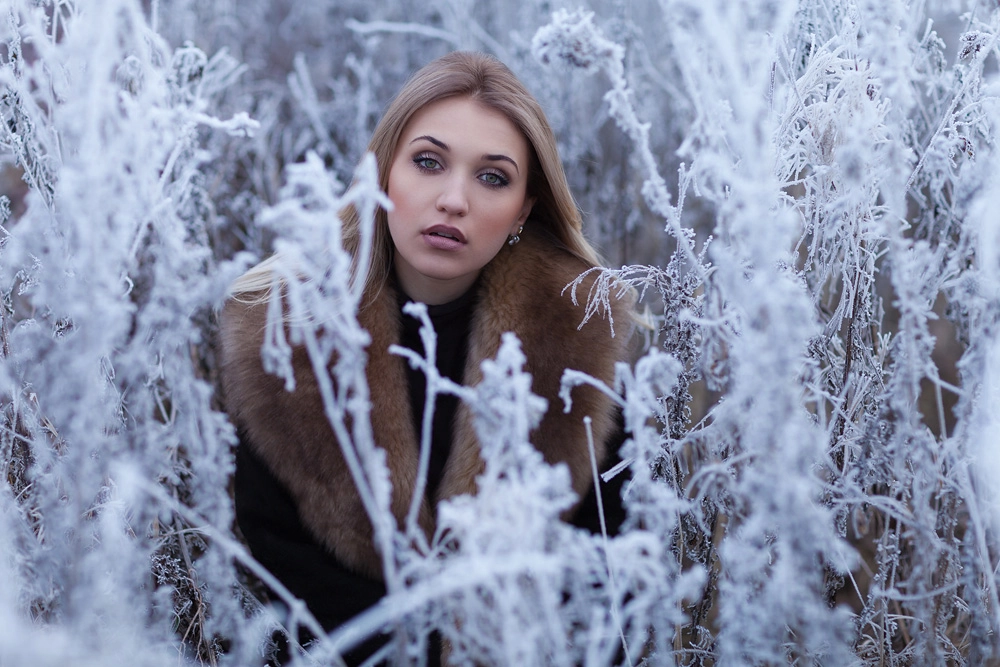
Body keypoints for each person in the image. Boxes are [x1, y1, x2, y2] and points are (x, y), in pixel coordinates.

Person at [219, 51, 634, 665]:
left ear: (523, 209)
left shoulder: (579, 353)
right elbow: (275, 571)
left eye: (492, 177)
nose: (454, 200)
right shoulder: (284, 337)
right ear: (383, 174)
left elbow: (605, 591)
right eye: (428, 162)